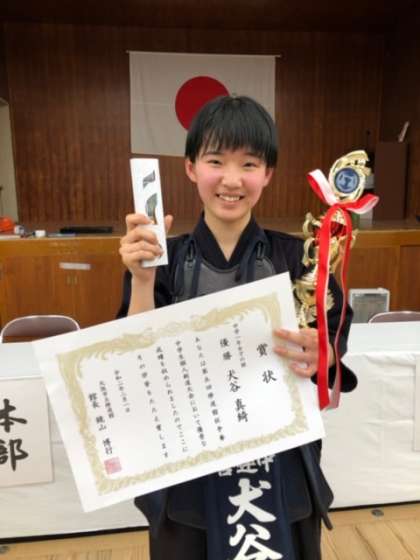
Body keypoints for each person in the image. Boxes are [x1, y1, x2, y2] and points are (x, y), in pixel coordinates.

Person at [117, 95, 356, 560]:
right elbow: (135, 360)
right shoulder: (160, 260)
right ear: (191, 168)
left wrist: (320, 352)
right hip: (187, 464)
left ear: (267, 174)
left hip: (280, 461)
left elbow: (332, 344)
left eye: (249, 164)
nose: (231, 179)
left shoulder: (299, 259)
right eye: (215, 161)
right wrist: (142, 282)